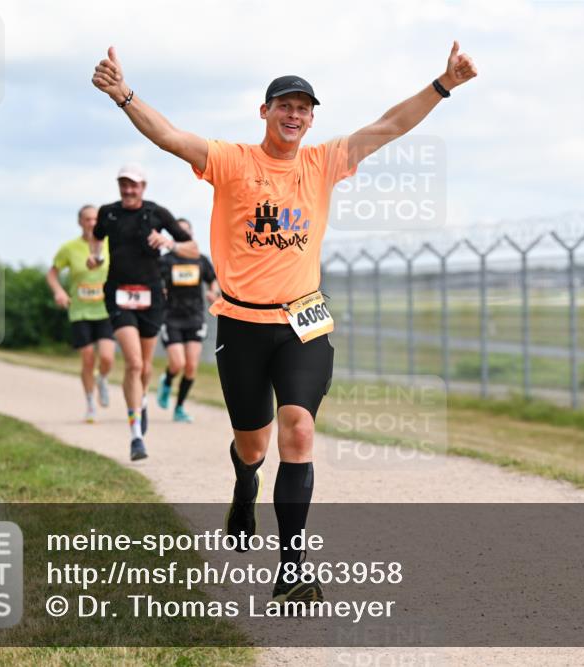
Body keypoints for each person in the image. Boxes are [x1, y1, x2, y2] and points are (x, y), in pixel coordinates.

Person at [92, 42, 477, 604]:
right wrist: (124, 95)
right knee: (253, 445)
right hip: (241, 324)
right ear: (265, 112)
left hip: (304, 322)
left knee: (297, 430)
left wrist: (443, 85)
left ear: (311, 119)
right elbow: (171, 137)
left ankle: (293, 567)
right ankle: (245, 483)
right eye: (285, 106)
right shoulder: (231, 161)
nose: (294, 115)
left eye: (304, 108)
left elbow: (389, 126)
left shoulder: (323, 162)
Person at [88, 164, 196, 460]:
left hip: (151, 295)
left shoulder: (157, 213)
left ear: (143, 187)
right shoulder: (108, 213)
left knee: (146, 366)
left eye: (133, 185)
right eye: (124, 184)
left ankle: (142, 398)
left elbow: (192, 248)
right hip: (118, 294)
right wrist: (96, 257)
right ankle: (136, 435)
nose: (128, 190)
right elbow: (96, 237)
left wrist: (169, 242)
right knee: (134, 363)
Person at [46, 205, 116, 423]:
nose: (92, 223)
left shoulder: (109, 243)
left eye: (95, 219)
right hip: (80, 310)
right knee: (87, 358)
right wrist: (59, 292)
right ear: (80, 222)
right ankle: (90, 404)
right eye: (87, 219)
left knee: (107, 357)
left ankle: (102, 379)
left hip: (105, 309)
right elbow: (52, 274)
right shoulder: (69, 248)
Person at [157, 218, 219, 423]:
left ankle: (179, 408)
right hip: (171, 317)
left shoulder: (200, 259)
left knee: (191, 366)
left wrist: (213, 292)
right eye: (179, 232)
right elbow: (155, 281)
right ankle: (167, 381)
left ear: (191, 236)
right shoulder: (166, 260)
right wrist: (160, 291)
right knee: (177, 363)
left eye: (186, 232)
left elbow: (212, 280)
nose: (183, 236)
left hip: (195, 317)